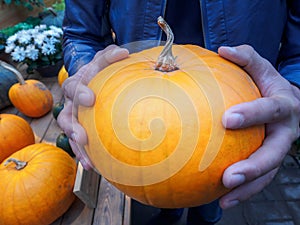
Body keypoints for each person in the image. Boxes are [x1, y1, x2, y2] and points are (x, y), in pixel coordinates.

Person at [58, 0, 300, 224]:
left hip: (237, 110)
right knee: (162, 190)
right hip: (135, 106)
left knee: (214, 193)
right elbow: (81, 34)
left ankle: (206, 217)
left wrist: (292, 89)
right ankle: (168, 214)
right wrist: (85, 77)